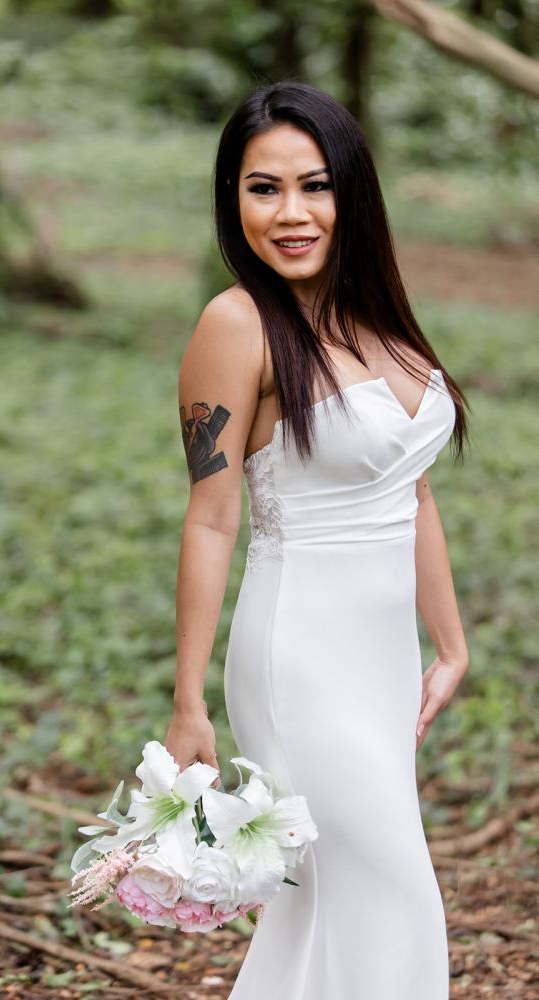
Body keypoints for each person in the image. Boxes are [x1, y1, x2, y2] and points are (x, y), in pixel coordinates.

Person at [165, 81, 470, 998]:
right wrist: (187, 701)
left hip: (381, 660)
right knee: (396, 894)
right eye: (264, 188)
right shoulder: (238, 324)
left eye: (315, 184)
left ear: (352, 195)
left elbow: (407, 491)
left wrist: (451, 642)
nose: (291, 213)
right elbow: (212, 517)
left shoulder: (382, 318)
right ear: (234, 200)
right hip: (298, 656)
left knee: (324, 908)